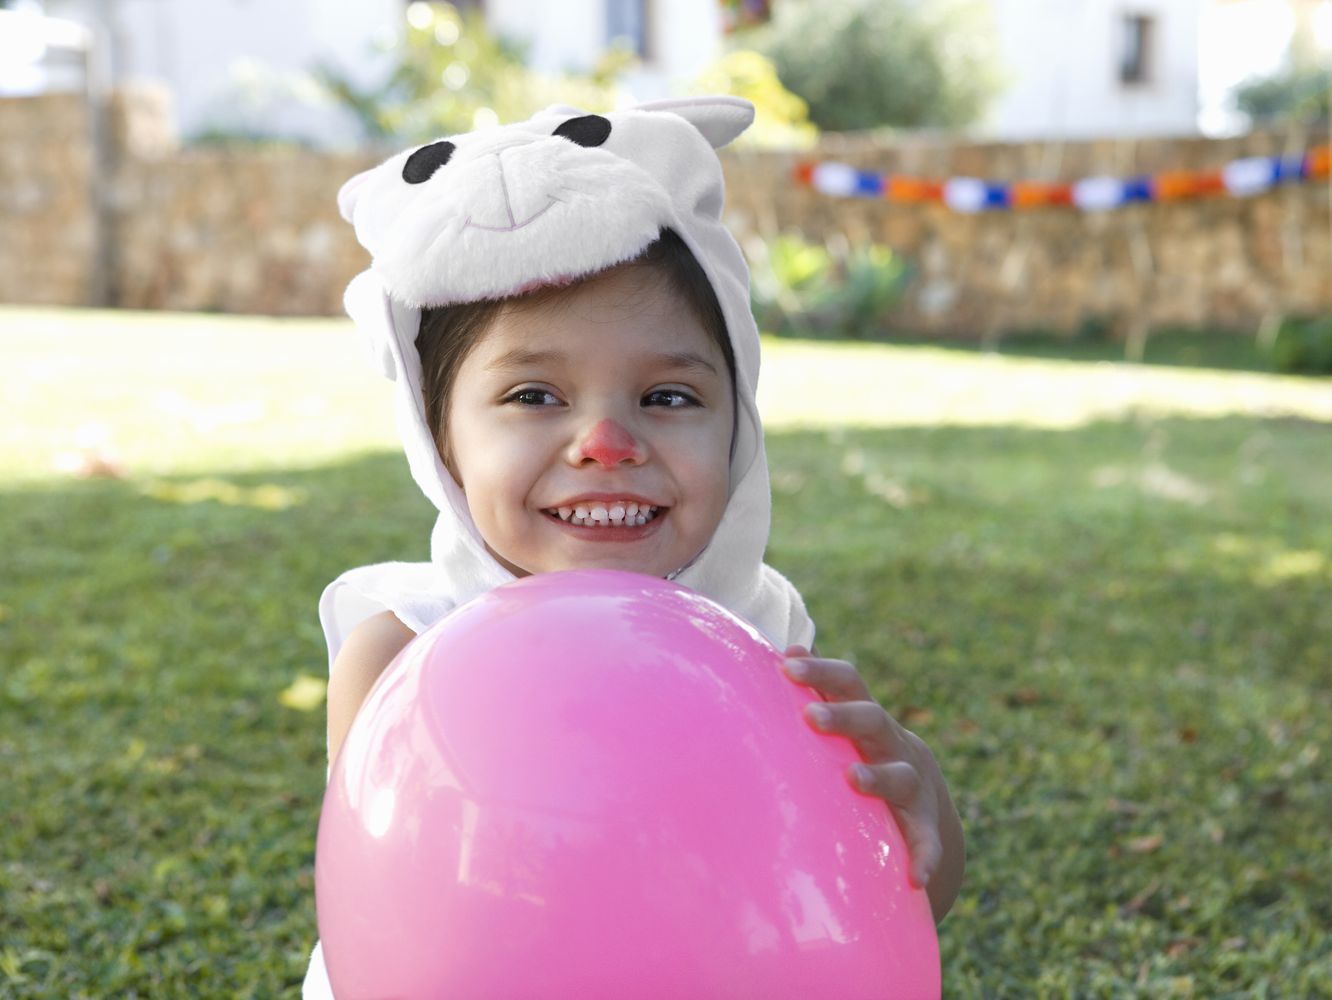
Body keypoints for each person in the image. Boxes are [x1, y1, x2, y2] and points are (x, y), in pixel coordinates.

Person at [302, 96, 965, 997]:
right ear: (440, 439)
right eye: (535, 396)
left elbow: (868, 905)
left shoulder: (754, 647)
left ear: (740, 426)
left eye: (669, 397)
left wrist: (919, 809)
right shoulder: (400, 655)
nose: (606, 442)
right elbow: (387, 910)